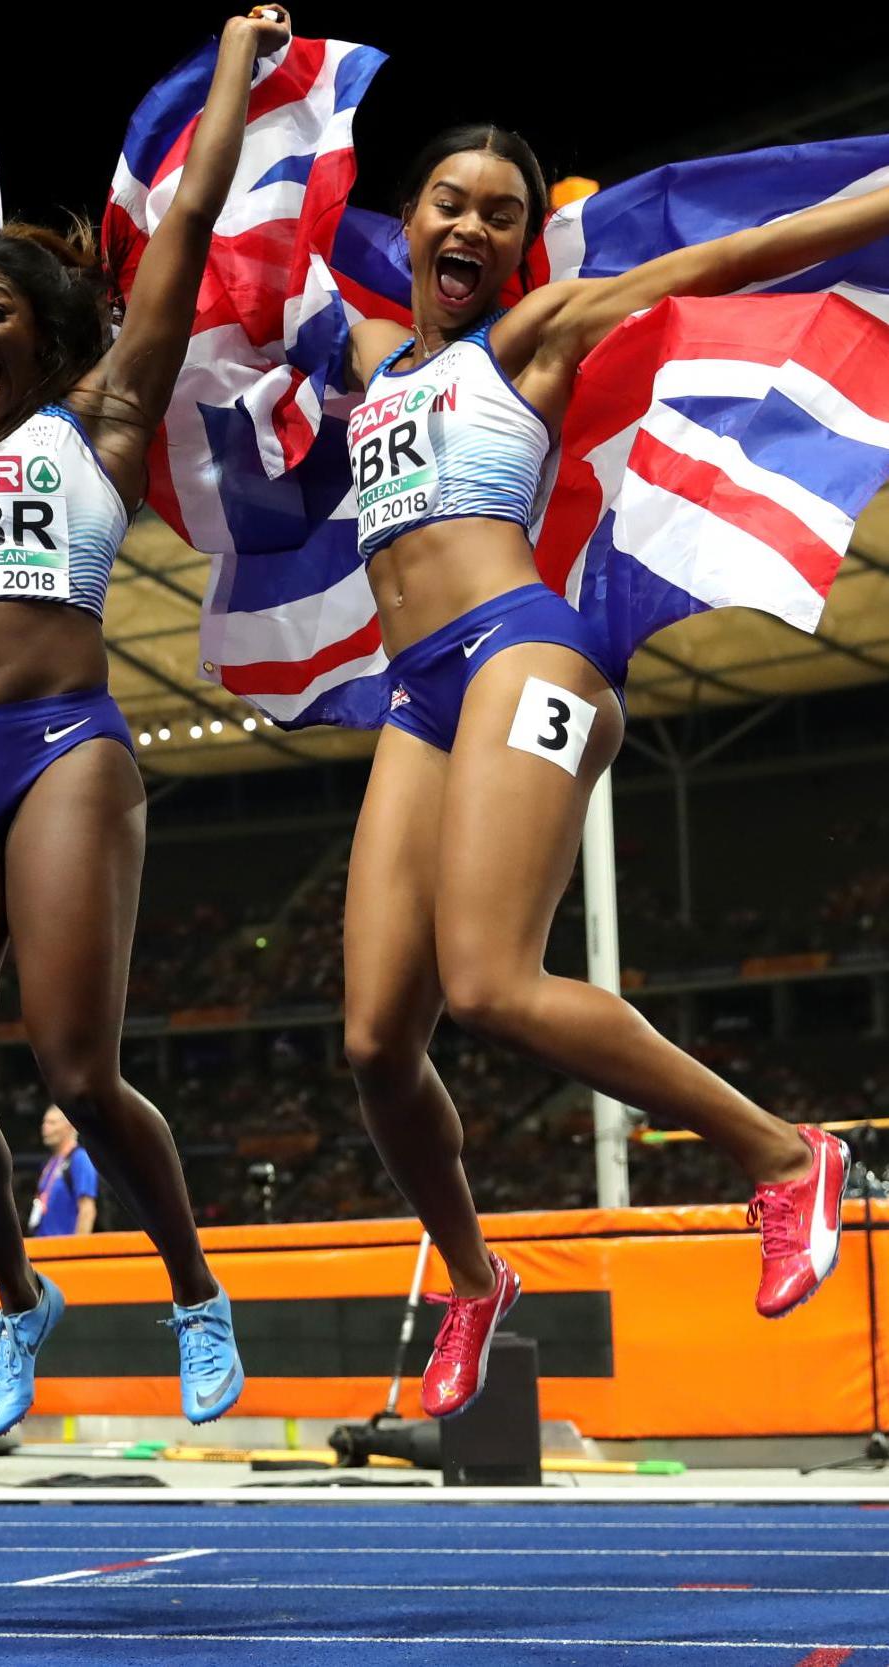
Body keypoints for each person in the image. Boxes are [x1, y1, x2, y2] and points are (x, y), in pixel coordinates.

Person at [333, 125, 889, 1417]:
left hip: (525, 653)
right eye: (445, 205)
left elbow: (740, 251)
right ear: (407, 225)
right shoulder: (368, 359)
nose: (467, 228)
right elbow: (259, 279)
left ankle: (781, 1152)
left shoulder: (530, 335)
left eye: (497, 214)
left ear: (521, 246)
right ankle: (475, 1280)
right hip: (420, 693)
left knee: (489, 980)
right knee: (371, 1040)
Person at [0, 13, 290, 1434]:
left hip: (63, 748)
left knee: (81, 1071)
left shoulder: (96, 417)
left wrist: (229, 69)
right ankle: (19, 1290)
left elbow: (188, 224)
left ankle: (189, 1287)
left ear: (41, 328)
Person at [30, 1107, 98, 1238]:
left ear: (70, 1126)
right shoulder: (49, 1164)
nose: (45, 1127)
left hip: (63, 1250)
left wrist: (78, 1252)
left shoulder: (80, 1159)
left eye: (52, 1123)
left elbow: (87, 1209)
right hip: (43, 1248)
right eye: (44, 1122)